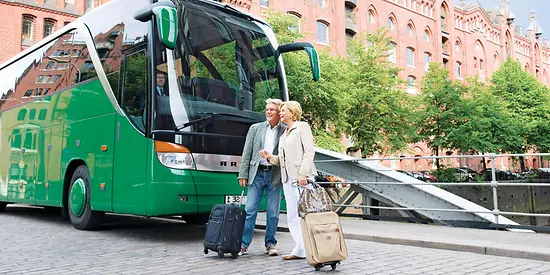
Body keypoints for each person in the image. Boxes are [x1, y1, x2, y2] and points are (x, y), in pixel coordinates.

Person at [260, 100, 316, 260]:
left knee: (306, 214)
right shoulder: (285, 133)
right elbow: (283, 160)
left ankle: (313, 248)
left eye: (283, 110)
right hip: (287, 179)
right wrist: (270, 157)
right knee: (292, 215)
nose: (280, 113)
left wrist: (303, 174)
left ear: (293, 112)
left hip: (301, 178)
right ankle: (300, 248)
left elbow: (309, 152)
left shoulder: (302, 127)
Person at [238, 98, 286, 256]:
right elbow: (247, 151)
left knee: (273, 213)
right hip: (256, 173)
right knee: (250, 210)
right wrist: (243, 174)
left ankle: (270, 244)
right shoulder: (255, 128)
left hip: (275, 174)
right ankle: (243, 244)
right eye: (267, 109)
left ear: (279, 112)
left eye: (272, 109)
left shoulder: (285, 130)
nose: (268, 112)